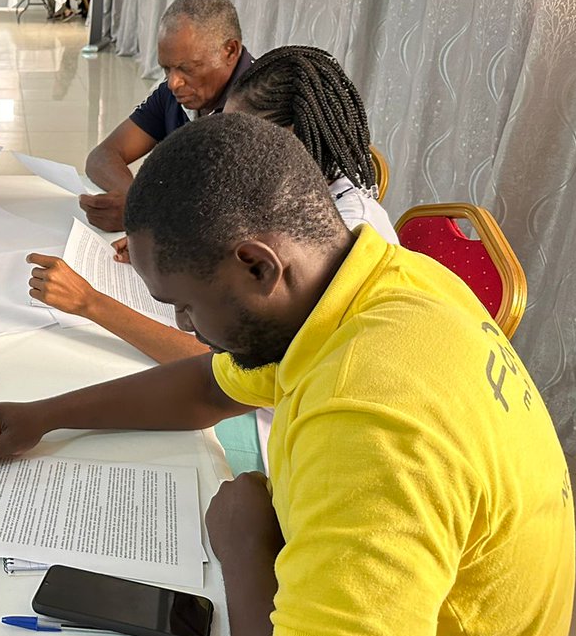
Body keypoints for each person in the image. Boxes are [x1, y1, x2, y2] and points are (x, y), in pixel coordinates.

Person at [0, 112, 575, 636]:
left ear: (256, 264)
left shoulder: (370, 426)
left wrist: (246, 547)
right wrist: (42, 414)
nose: (183, 325)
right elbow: (209, 388)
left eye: (184, 305)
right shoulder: (384, 284)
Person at [28, 45, 397, 474]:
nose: (228, 153)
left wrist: (92, 304)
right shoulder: (307, 221)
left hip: (267, 441)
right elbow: (218, 382)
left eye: (246, 142)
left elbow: (217, 372)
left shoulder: (326, 260)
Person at [80, 0, 253, 232]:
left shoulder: (261, 108)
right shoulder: (175, 94)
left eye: (187, 68)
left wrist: (144, 213)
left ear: (230, 51)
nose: (173, 82)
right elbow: (102, 156)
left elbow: (235, 219)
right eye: (166, 69)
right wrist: (135, 202)